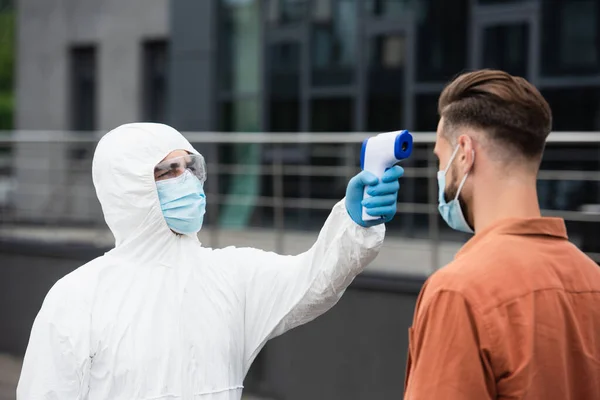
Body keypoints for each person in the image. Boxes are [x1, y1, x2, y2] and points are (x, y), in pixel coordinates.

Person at [17, 123, 404, 399]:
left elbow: (314, 280)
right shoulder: (78, 298)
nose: (186, 179)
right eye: (168, 171)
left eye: (189, 167)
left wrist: (354, 223)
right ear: (127, 189)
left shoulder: (229, 276)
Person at [404, 69, 600, 399]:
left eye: (441, 160)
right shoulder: (593, 280)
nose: (440, 175)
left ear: (464, 154)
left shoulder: (457, 292)